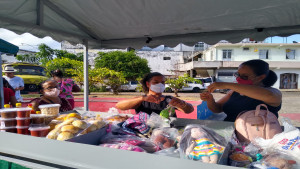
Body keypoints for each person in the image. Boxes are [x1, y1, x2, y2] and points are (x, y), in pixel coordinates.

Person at [200, 59, 282, 122]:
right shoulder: (234, 92)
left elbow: (269, 95)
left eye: (245, 76)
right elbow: (217, 108)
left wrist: (226, 84)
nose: (239, 78)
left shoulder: (273, 93)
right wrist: (210, 100)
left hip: (258, 137)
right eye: (238, 75)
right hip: (231, 133)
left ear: (261, 77)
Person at [116, 72, 194, 116]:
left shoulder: (169, 100)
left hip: (167, 134)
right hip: (145, 132)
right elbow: (119, 106)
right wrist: (142, 98)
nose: (160, 85)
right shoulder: (141, 100)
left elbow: (189, 110)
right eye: (156, 82)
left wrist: (182, 104)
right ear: (148, 84)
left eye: (162, 82)